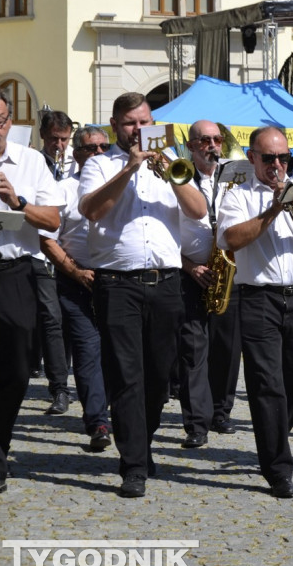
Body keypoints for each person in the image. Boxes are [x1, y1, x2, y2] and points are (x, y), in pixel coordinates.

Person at [78, 92, 207, 498]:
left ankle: (140, 444)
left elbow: (199, 210)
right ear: (116, 124)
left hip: (166, 283)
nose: (139, 129)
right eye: (132, 122)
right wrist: (130, 168)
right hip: (118, 285)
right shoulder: (100, 163)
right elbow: (92, 210)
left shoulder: (170, 164)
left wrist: (170, 172)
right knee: (127, 376)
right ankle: (133, 464)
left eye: (145, 121)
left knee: (158, 376)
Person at [216, 126, 293, 498]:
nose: (276, 165)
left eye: (282, 158)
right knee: (266, 385)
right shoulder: (236, 196)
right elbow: (230, 241)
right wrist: (273, 210)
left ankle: (270, 436)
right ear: (252, 158)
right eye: (268, 158)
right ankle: (278, 470)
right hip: (259, 299)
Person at [0, 88, 64, 496]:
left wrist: (15, 201)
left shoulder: (31, 162)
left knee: (17, 372)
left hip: (15, 272)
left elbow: (52, 220)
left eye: (0, 122)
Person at [39, 126, 112, 450]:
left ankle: (121, 414)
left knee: (120, 353)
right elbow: (46, 240)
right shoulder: (64, 189)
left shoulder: (119, 184)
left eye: (103, 148)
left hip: (116, 281)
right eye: (90, 149)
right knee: (87, 352)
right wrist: (75, 270)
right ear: (77, 154)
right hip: (76, 281)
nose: (98, 154)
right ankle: (98, 421)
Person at [174, 120, 243, 447]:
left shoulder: (235, 180)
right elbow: (165, 234)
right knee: (193, 349)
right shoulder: (177, 177)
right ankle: (196, 424)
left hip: (226, 270)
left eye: (217, 139)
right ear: (191, 146)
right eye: (204, 140)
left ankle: (221, 411)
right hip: (190, 273)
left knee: (228, 348)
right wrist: (190, 267)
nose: (212, 145)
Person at [34, 110, 76, 415]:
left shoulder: (79, 163)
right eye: (53, 140)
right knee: (52, 320)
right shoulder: (35, 165)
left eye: (63, 139)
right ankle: (60, 388)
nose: (59, 146)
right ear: (43, 137)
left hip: (75, 250)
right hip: (43, 250)